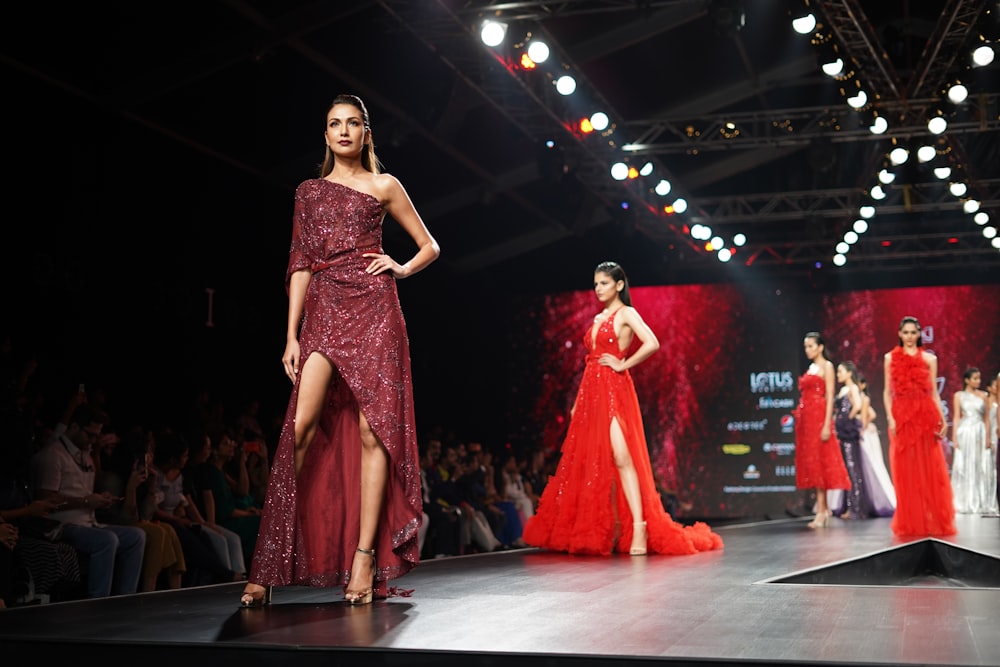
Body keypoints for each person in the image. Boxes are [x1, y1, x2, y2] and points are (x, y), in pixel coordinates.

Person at [241, 93, 440, 607]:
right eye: (335, 124)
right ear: (326, 136)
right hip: (325, 312)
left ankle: (364, 558)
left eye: (354, 123)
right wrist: (292, 335)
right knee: (300, 426)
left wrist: (400, 266)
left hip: (376, 309)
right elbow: (301, 263)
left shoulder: (383, 185)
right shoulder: (308, 192)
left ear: (366, 133)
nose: (345, 131)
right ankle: (266, 564)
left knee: (375, 433)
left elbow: (429, 245)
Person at [522, 261, 723, 556]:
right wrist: (579, 401)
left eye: (603, 283)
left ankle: (639, 526)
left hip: (615, 389)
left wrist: (623, 363)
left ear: (618, 284)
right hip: (591, 391)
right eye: (595, 284)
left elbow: (652, 342)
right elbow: (591, 362)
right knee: (595, 461)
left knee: (620, 455)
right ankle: (613, 527)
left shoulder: (626, 313)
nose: (598, 289)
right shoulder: (596, 318)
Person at [31, 403, 147, 598]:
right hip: (60, 525)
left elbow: (86, 494)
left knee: (137, 536)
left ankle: (126, 600)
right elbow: (44, 500)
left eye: (96, 435)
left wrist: (100, 499)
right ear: (75, 427)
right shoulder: (53, 456)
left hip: (88, 523)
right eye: (90, 434)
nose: (94, 440)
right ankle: (99, 602)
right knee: (107, 540)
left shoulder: (86, 456)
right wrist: (86, 502)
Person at [883, 316, 956, 537]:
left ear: (919, 334)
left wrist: (941, 418)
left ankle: (931, 518)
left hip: (925, 415)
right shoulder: (890, 358)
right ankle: (911, 520)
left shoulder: (928, 359)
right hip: (902, 417)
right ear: (899, 334)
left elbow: (933, 392)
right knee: (905, 471)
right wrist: (890, 418)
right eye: (905, 333)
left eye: (913, 333)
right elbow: (886, 392)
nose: (909, 337)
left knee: (930, 469)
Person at [794, 332, 851, 528]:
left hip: (819, 417)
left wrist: (827, 424)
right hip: (808, 419)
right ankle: (823, 509)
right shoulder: (811, 367)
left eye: (811, 346)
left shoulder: (827, 366)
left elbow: (829, 396)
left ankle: (821, 511)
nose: (808, 350)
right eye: (806, 347)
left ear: (820, 347)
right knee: (814, 463)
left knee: (821, 463)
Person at [949, 367, 997, 515]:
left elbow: (987, 419)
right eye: (975, 378)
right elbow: (957, 416)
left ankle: (980, 500)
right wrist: (954, 436)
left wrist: (988, 437)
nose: (978, 381)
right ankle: (963, 501)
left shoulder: (984, 396)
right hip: (965, 431)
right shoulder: (959, 395)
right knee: (964, 465)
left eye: (979, 378)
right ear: (967, 380)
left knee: (980, 464)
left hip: (980, 431)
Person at [831, 361, 868, 520]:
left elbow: (858, 405)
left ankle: (856, 508)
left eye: (840, 372)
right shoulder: (844, 389)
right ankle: (849, 506)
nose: (838, 375)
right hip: (841, 432)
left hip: (848, 432)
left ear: (848, 372)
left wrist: (847, 419)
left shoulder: (853, 387)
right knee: (846, 469)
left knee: (852, 469)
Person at [855, 374, 896, 516]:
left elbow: (871, 415)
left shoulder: (862, 398)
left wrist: (861, 426)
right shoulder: (851, 395)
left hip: (862, 433)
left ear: (863, 385)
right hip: (857, 432)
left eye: (858, 383)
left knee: (871, 464)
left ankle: (877, 497)